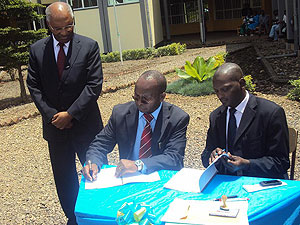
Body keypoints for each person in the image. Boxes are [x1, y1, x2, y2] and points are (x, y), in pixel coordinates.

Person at [26, 2, 103, 224]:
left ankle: (98, 215)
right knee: (64, 178)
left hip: (86, 126)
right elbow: (34, 87)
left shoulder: (89, 46)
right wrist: (53, 116)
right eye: (58, 29)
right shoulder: (37, 50)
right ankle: (74, 217)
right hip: (55, 130)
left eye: (68, 27)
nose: (63, 33)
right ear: (48, 24)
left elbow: (94, 85)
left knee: (95, 171)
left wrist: (70, 114)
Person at [82, 70, 190, 180]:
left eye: (145, 100)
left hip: (162, 179)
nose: (139, 103)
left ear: (162, 97)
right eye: (136, 97)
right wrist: (93, 162)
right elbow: (100, 144)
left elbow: (174, 157)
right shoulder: (120, 114)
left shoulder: (177, 118)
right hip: (129, 178)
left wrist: (139, 165)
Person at [201, 63, 290, 179]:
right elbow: (205, 155)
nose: (220, 95)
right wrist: (212, 156)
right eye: (216, 91)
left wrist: (247, 164)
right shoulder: (217, 117)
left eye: (225, 89)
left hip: (262, 183)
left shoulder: (270, 113)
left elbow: (281, 162)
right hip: (227, 184)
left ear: (242, 83)